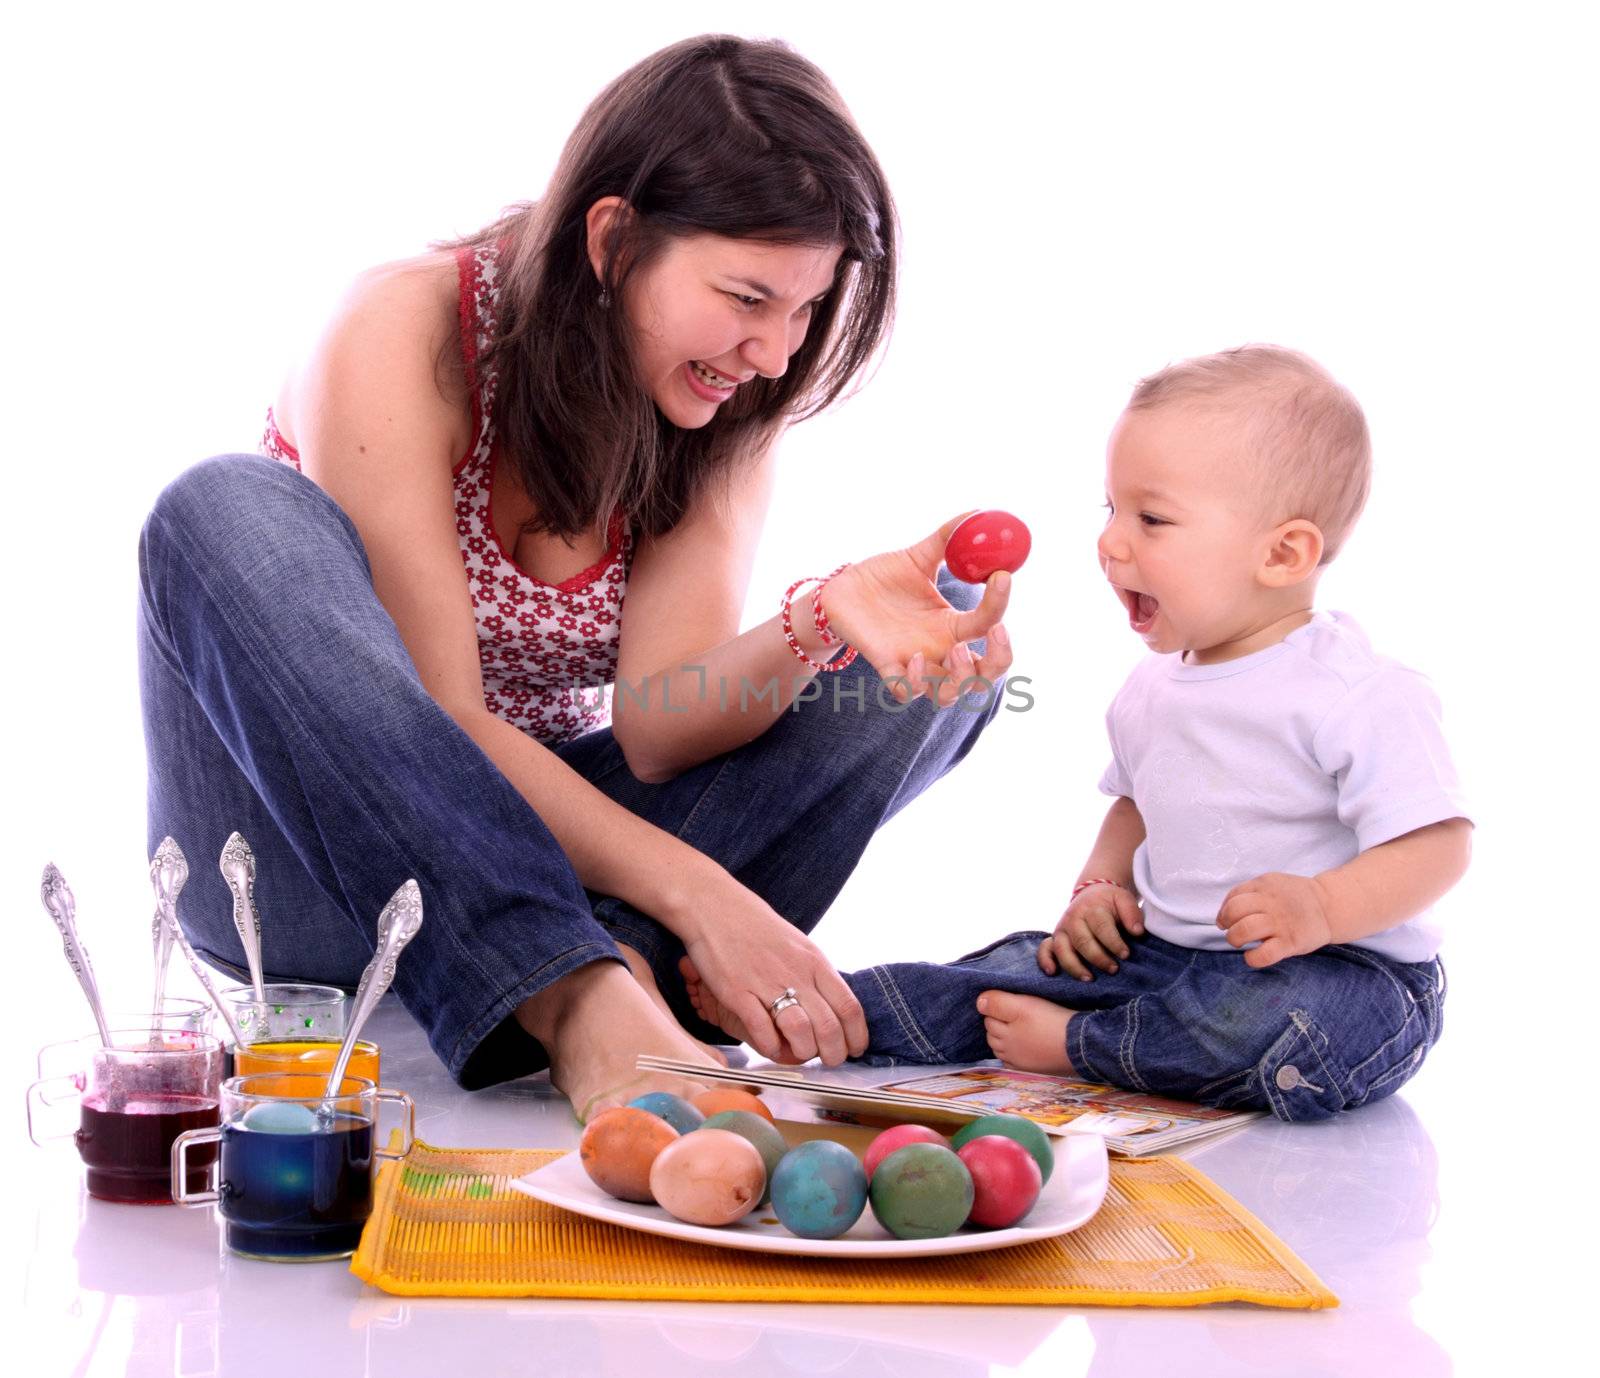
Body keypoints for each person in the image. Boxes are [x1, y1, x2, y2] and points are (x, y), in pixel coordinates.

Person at [137, 35, 1015, 1124]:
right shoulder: (403, 329)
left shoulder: (722, 403)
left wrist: (818, 621)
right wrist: (707, 894)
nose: (776, 353)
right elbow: (440, 719)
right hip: (312, 863)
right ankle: (577, 990)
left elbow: (659, 729)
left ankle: (601, 969)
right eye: (747, 297)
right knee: (218, 508)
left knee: (932, 649)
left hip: (547, 848)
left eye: (802, 310)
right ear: (612, 239)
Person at [684, 345, 1471, 1121]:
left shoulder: (1358, 691)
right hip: (1166, 959)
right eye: (1112, 510)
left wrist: (1324, 909)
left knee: (1288, 1018)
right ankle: (804, 1015)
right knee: (1004, 974)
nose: (1110, 543)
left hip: (1344, 970)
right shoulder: (1153, 686)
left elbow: (1438, 845)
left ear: (1283, 553)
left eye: (1152, 519)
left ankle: (1085, 1044)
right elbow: (1135, 808)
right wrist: (1102, 888)